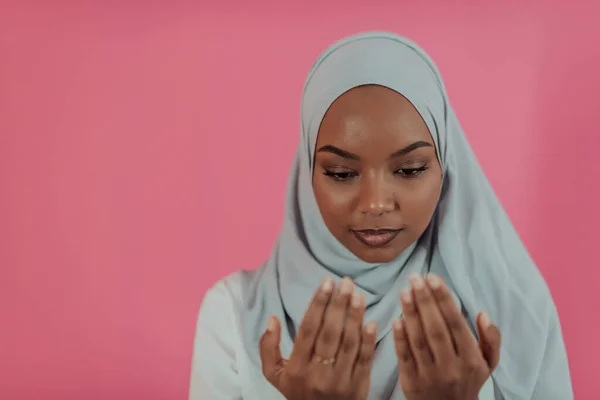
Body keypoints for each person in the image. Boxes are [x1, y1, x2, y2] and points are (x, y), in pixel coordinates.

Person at [188, 31, 573, 400]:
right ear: (306, 174)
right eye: (341, 173)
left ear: (446, 168)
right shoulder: (234, 316)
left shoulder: (510, 309)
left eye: (409, 170)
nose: (375, 204)